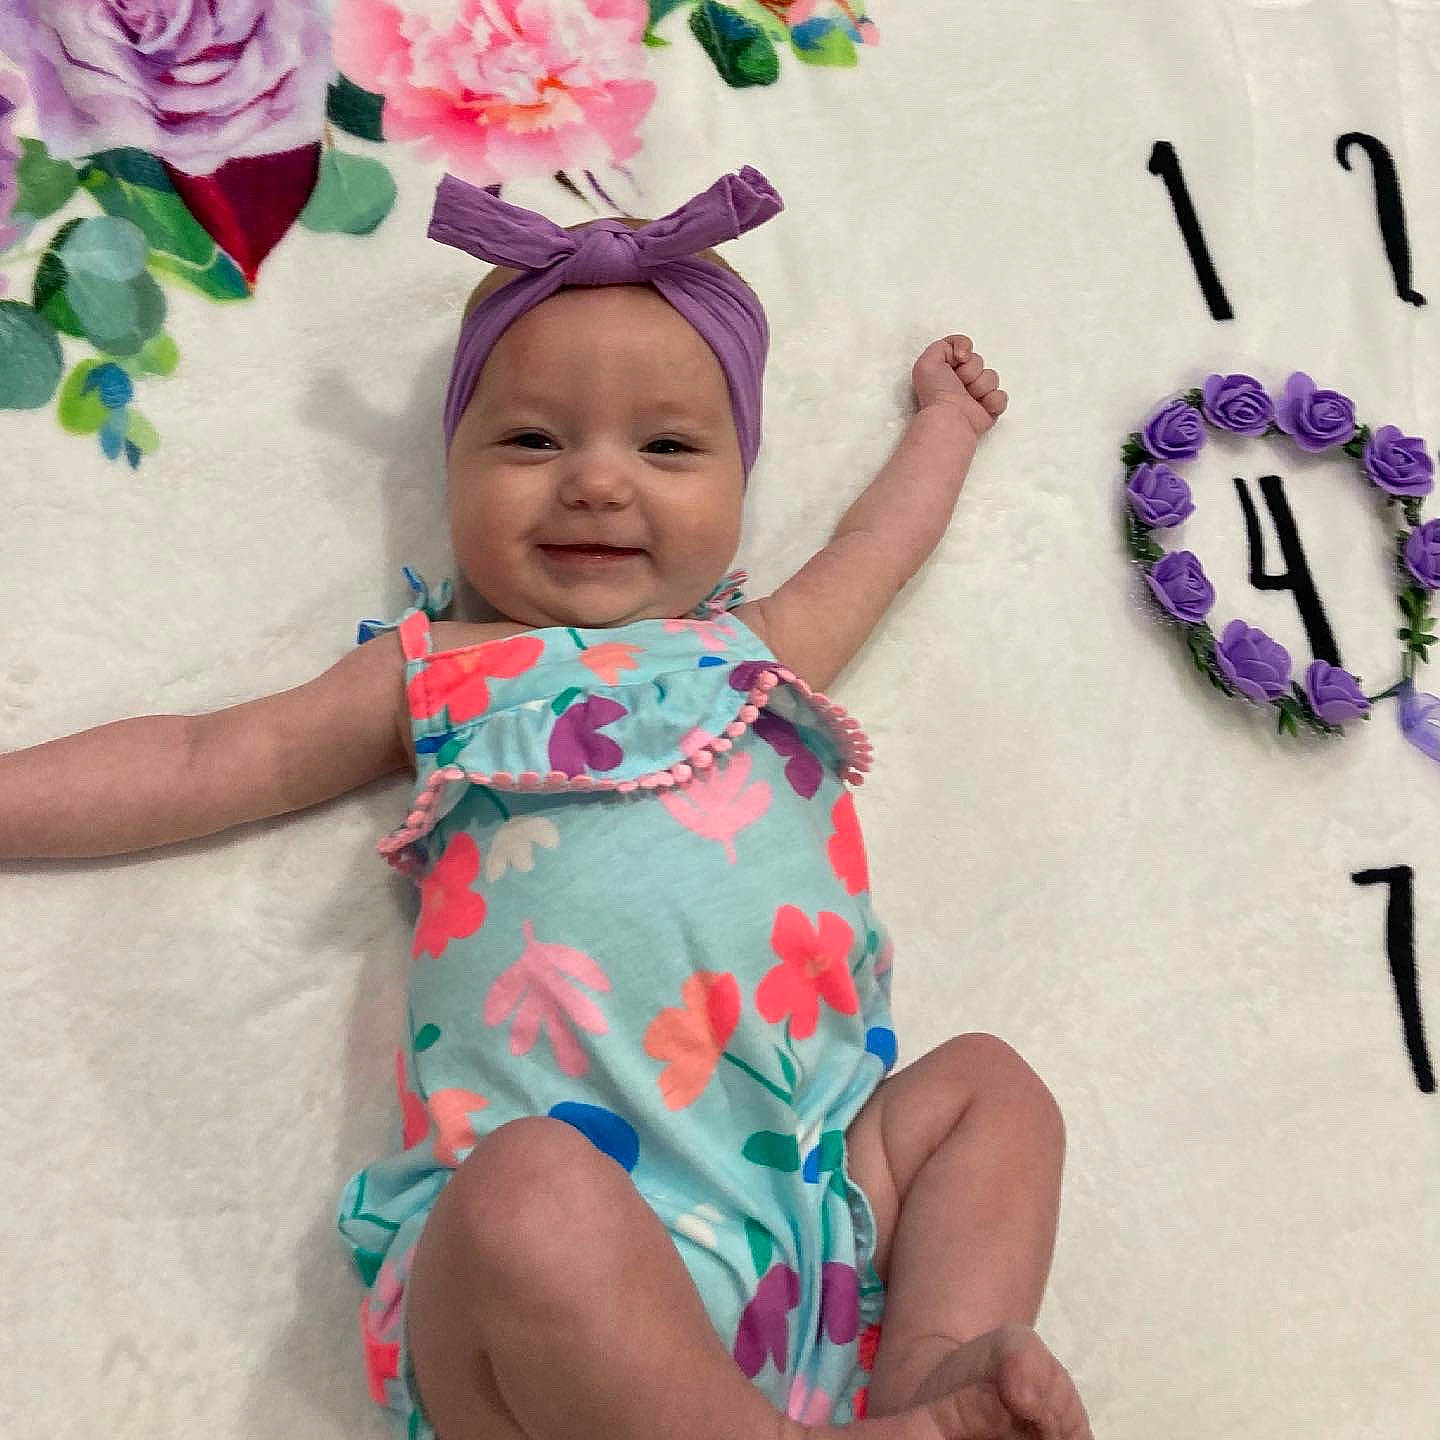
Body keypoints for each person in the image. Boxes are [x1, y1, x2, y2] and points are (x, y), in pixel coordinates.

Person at [0, 166, 1090, 1440]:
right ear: (451, 465)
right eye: (531, 439)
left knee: (989, 1094)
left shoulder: (761, 648)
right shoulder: (442, 669)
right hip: (546, 1292)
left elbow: (876, 548)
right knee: (526, 1193)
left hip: (810, 1220)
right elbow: (200, 756)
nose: (596, 482)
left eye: (668, 446)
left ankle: (926, 1367)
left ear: (742, 485)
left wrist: (944, 429)